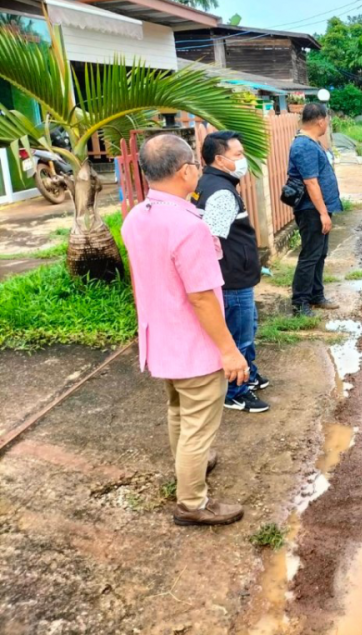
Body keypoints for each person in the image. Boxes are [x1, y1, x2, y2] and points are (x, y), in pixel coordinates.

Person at [121, 134, 247, 527]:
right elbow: (203, 298)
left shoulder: (136, 217)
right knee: (196, 425)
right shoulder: (189, 226)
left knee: (178, 412)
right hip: (194, 345)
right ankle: (192, 502)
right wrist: (229, 351)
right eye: (193, 162)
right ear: (185, 171)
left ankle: (190, 469)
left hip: (160, 339)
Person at [194, 131, 270, 414]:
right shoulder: (222, 193)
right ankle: (235, 392)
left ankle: (248, 374)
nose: (242, 160)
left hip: (237, 275)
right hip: (232, 279)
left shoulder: (209, 183)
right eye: (237, 155)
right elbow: (211, 242)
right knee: (240, 335)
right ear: (219, 159)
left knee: (247, 326)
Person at [288, 103, 343, 316]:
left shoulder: (313, 142)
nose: (327, 124)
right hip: (311, 210)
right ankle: (300, 302)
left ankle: (316, 295)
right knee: (310, 255)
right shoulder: (304, 146)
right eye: (327, 120)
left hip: (319, 209)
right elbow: (311, 183)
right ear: (320, 120)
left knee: (320, 253)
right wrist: (322, 213)